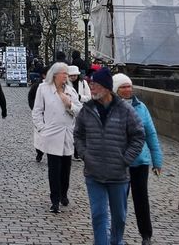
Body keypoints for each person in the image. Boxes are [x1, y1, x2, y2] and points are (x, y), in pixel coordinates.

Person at [74, 67, 145, 245]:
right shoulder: (87, 109)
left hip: (118, 174)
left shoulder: (125, 110)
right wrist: (84, 154)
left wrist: (125, 159)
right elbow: (78, 135)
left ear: (106, 87)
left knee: (119, 216)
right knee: (98, 215)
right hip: (93, 172)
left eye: (95, 85)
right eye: (91, 85)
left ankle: (116, 241)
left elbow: (138, 136)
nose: (92, 89)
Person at [113, 74, 162, 245]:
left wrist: (157, 160)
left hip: (140, 161)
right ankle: (117, 235)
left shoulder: (141, 107)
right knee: (119, 201)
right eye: (123, 87)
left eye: (129, 86)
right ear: (115, 89)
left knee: (141, 199)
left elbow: (151, 133)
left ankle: (146, 235)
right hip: (119, 162)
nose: (127, 90)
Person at [32, 62, 82, 213]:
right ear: (54, 75)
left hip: (67, 133)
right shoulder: (44, 89)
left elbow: (80, 110)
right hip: (52, 133)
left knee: (66, 168)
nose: (66, 76)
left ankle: (63, 194)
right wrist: (42, 128)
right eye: (63, 73)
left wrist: (70, 105)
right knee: (54, 169)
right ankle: (54, 199)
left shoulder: (71, 91)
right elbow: (37, 111)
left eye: (67, 74)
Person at [28, 65, 47, 162]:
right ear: (44, 75)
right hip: (40, 112)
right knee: (39, 133)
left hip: (50, 113)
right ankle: (39, 152)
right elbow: (30, 96)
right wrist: (34, 108)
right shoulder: (37, 85)